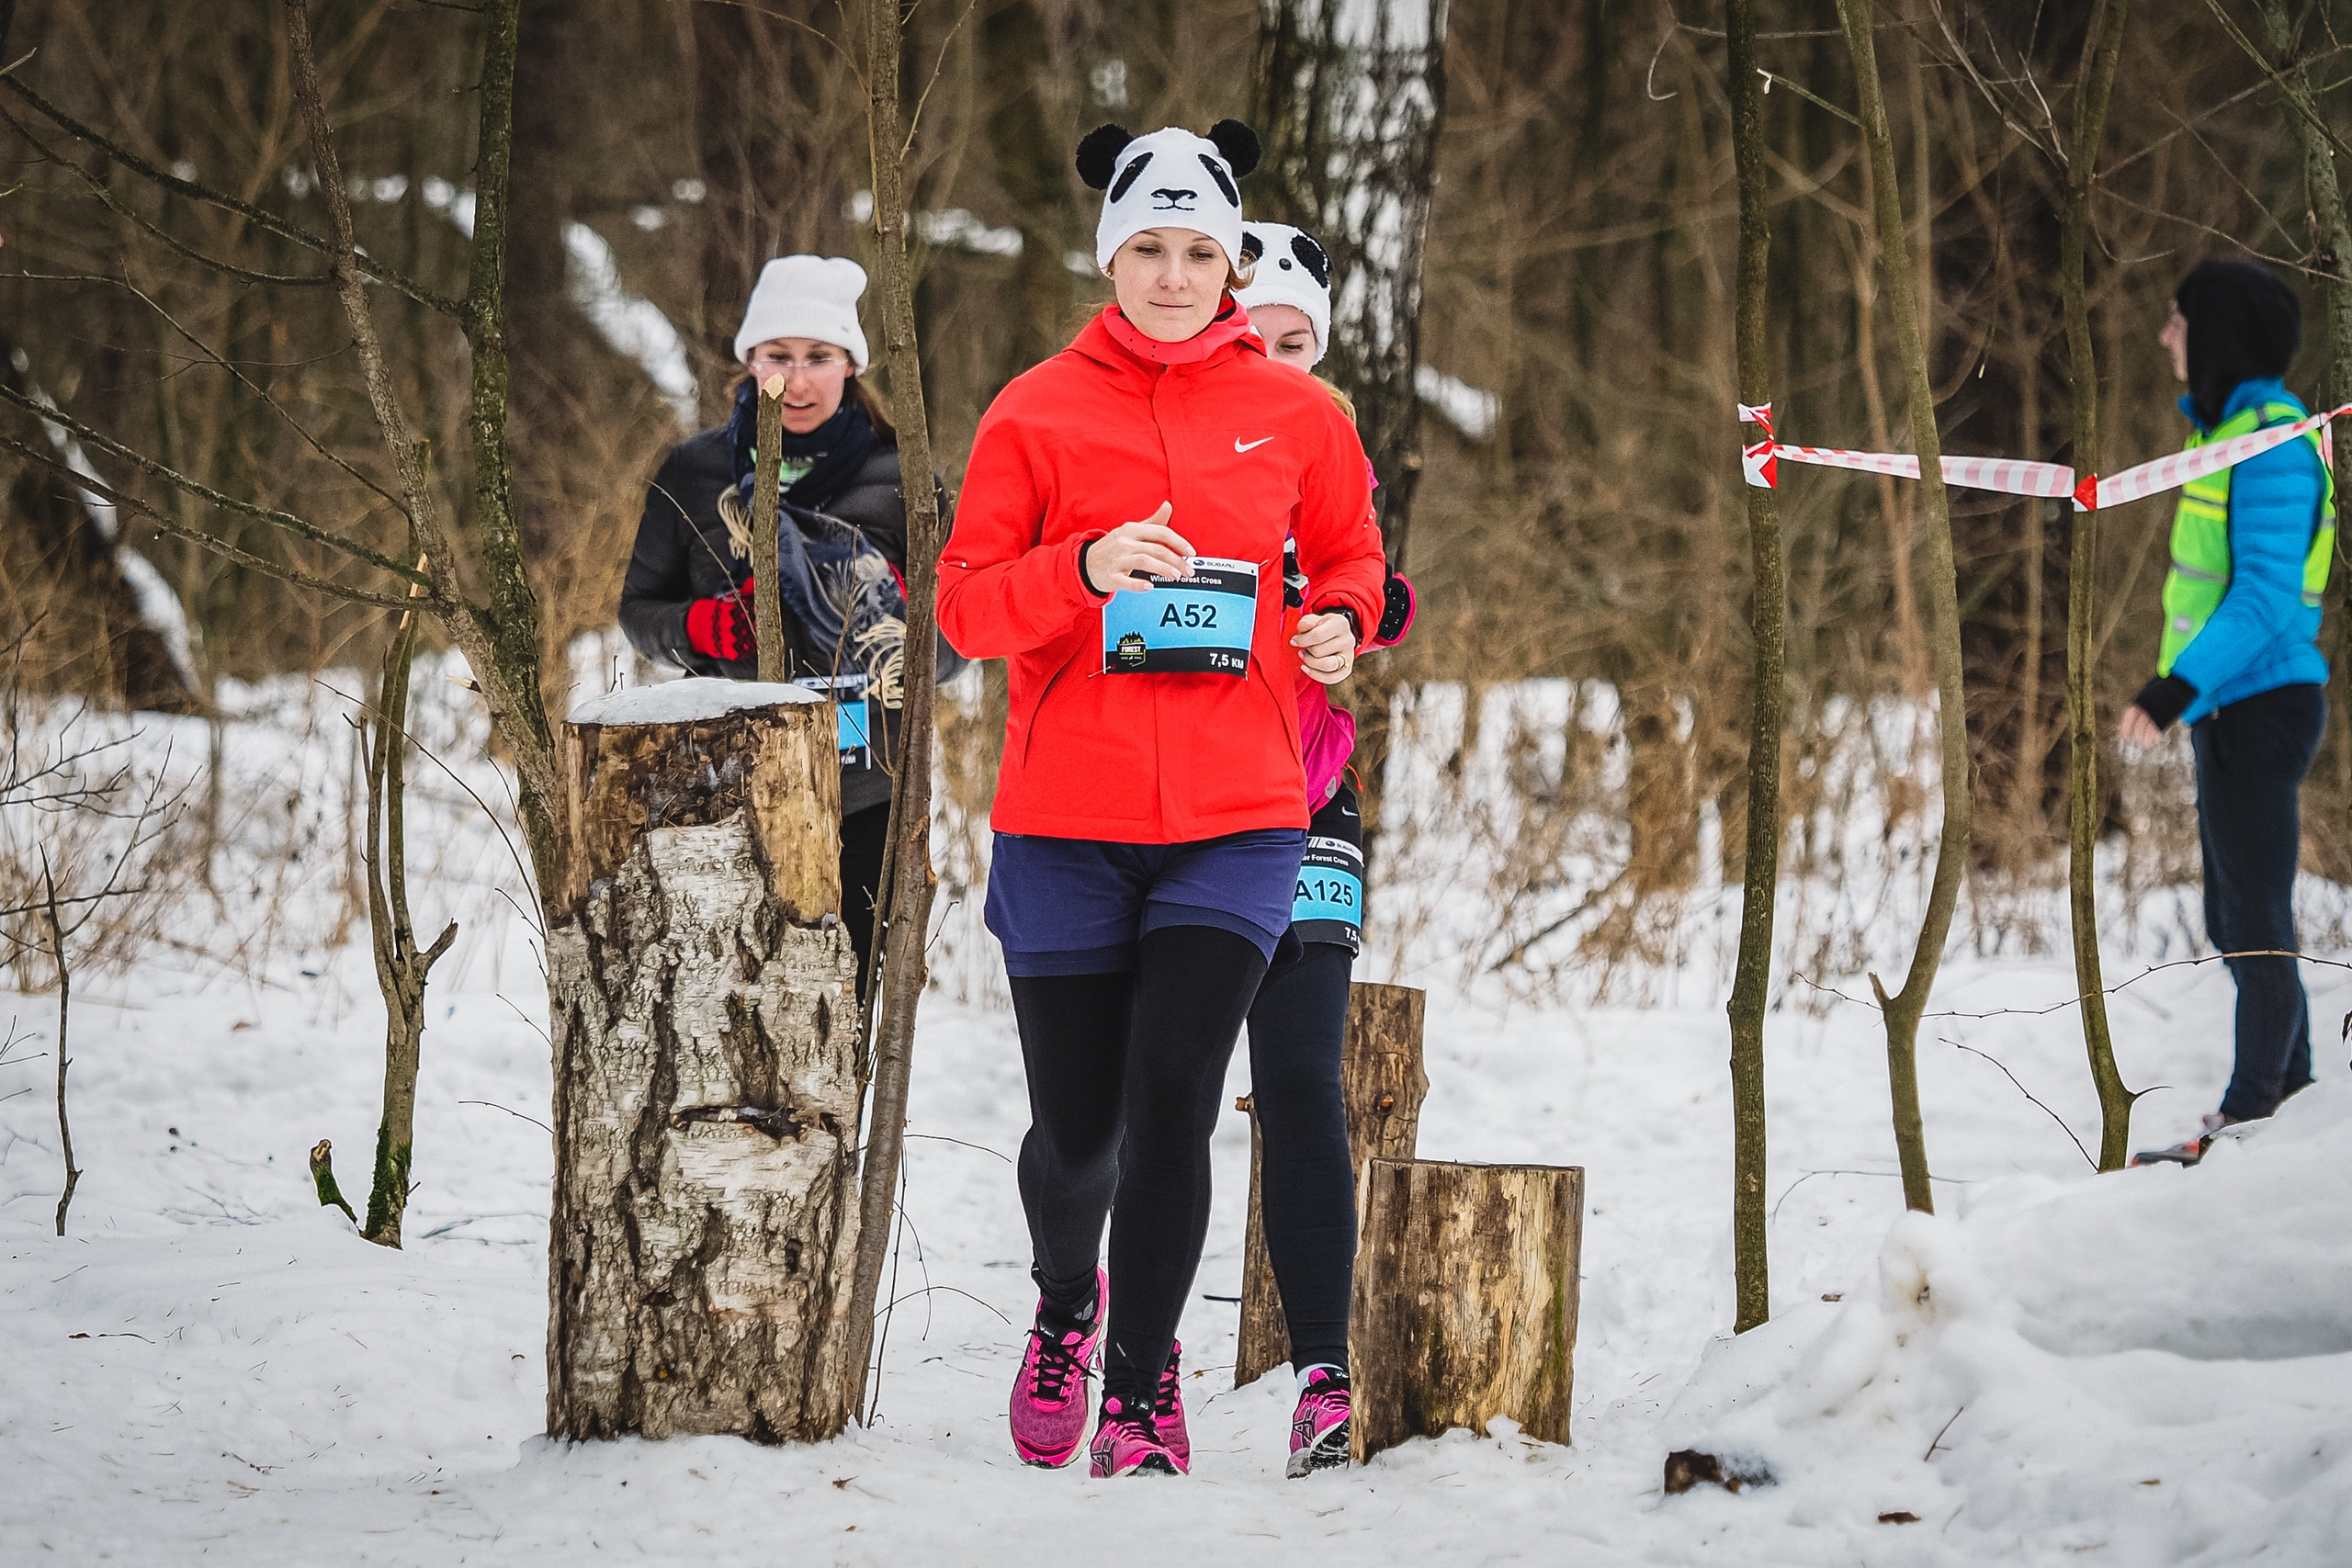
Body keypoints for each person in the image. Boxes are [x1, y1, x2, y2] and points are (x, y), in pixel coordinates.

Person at [937, 120, 1388, 1477]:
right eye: (1151, 248)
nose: (1178, 275)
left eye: (1203, 251)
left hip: (1240, 815)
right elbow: (962, 606)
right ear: (1111, 257)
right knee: (1081, 1135)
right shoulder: (1033, 407)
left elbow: (1358, 560)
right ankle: (1068, 1306)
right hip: (1066, 821)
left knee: (1178, 1099)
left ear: (1233, 261)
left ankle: (1141, 1390)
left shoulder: (1303, 414)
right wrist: (1081, 566)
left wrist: (1338, 624)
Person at [618, 255, 958, 989]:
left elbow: (967, 635)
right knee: (736, 998)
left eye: (818, 357)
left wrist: (906, 622)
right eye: (778, 356)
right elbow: (638, 612)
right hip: (728, 782)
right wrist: (701, 629)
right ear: (749, 360)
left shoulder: (906, 477)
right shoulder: (694, 471)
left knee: (853, 995)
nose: (797, 380)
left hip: (873, 788)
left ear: (851, 364)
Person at [1230, 220, 1417, 1476]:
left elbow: (1378, 581)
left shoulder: (1335, 448)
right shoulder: (1161, 441)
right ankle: (1119, 1364)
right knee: (1151, 1091)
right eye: (1258, 339)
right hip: (1168, 812)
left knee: (1302, 1074)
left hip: (1312, 796)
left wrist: (1361, 615)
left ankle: (1325, 1373)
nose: (1277, 361)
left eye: (1298, 342)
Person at [2119, 256, 2335, 1167]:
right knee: (2235, 918)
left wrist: (2171, 689)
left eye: (2178, 321)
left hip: (2262, 703)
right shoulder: (2232, 434)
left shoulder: (2274, 444)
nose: (2167, 335)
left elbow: (2263, 598)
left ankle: (2250, 1117)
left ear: (2215, 337)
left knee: (2253, 922)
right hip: (2230, 706)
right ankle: (2289, 1104)